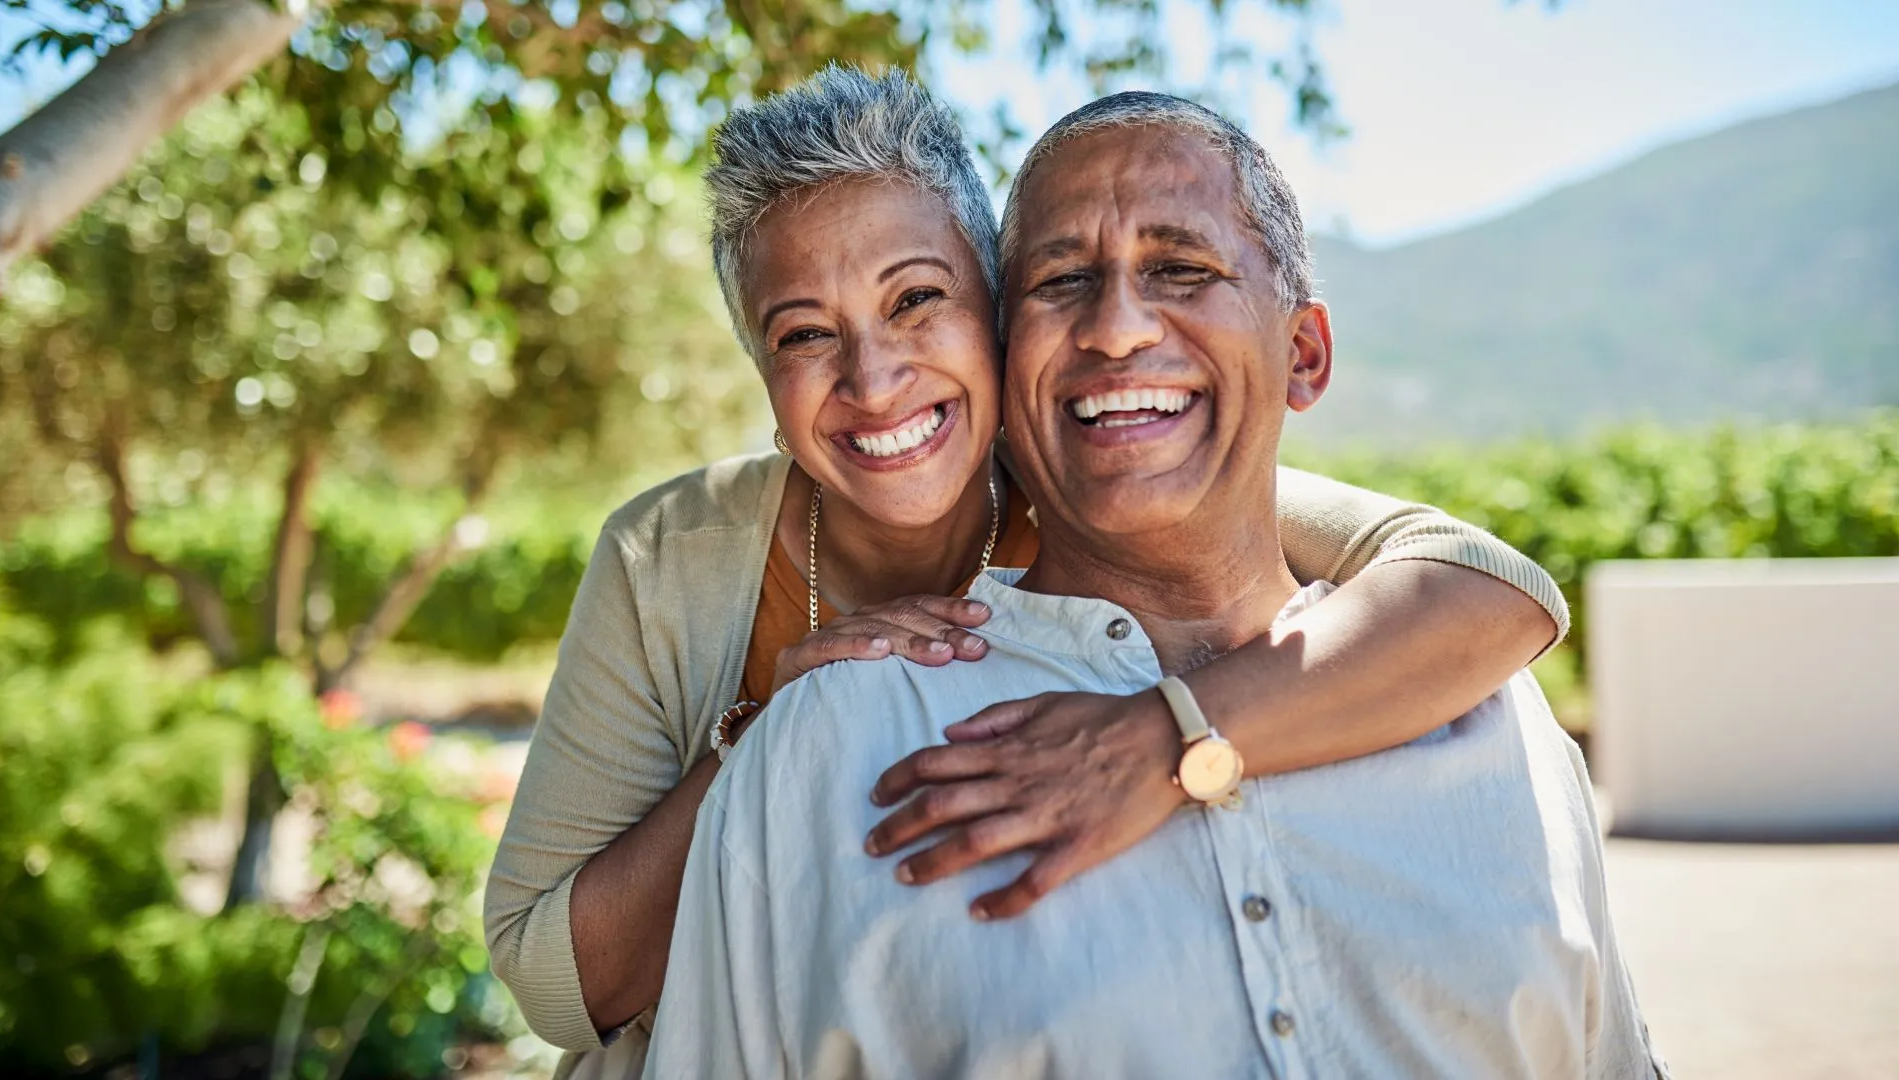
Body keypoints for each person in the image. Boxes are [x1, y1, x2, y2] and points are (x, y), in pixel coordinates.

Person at [486, 68, 1573, 1078]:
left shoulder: (1105, 468)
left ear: (996, 314)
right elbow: (552, 982)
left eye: (917, 300)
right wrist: (762, 732)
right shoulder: (673, 557)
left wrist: (1170, 738)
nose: (876, 378)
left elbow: (1482, 584)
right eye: (806, 335)